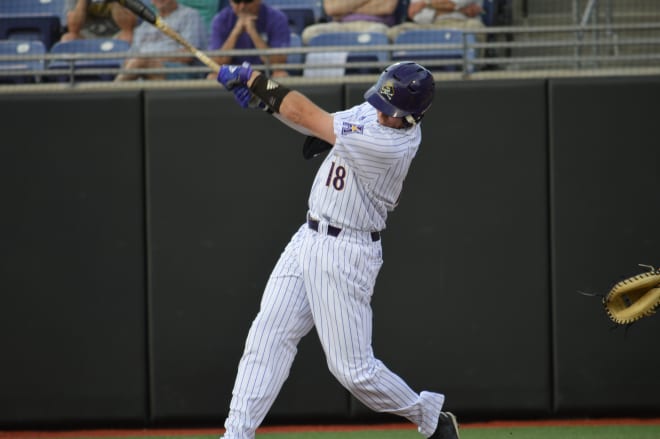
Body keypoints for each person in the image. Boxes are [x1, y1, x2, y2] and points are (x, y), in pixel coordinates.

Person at [214, 60, 460, 439]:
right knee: (267, 335)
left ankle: (429, 416)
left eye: (392, 111)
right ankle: (235, 435)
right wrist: (266, 100)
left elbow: (305, 115)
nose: (381, 113)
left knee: (353, 371)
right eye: (381, 102)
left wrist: (256, 80)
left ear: (413, 117)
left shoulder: (392, 143)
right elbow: (309, 121)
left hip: (347, 252)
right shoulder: (375, 112)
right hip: (308, 236)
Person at [115, 0, 207, 81]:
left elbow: (187, 55)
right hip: (142, 70)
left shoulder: (189, 15)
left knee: (140, 62)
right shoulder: (144, 26)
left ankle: (111, 93)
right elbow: (129, 59)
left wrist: (149, 60)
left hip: (179, 70)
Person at [206, 0, 290, 79]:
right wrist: (235, 33)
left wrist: (253, 32)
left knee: (281, 74)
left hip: (265, 75)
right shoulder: (221, 19)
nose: (242, 6)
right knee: (213, 76)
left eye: (247, 0)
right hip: (232, 74)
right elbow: (216, 64)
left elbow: (279, 63)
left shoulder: (277, 18)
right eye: (237, 1)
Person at [301, 0, 398, 45]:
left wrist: (346, 6)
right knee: (310, 33)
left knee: (379, 33)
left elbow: (386, 7)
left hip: (373, 24)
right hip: (341, 25)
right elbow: (331, 8)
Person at [387, 0, 485, 42]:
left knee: (475, 27)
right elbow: (415, 14)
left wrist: (426, 3)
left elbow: (454, 3)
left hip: (460, 24)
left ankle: (472, 69)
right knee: (394, 32)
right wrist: (458, 9)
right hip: (429, 25)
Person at [60, 0, 137, 43]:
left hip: (115, 34)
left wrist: (114, 2)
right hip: (86, 35)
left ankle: (123, 70)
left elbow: (129, 26)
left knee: (129, 36)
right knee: (68, 39)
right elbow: (73, 28)